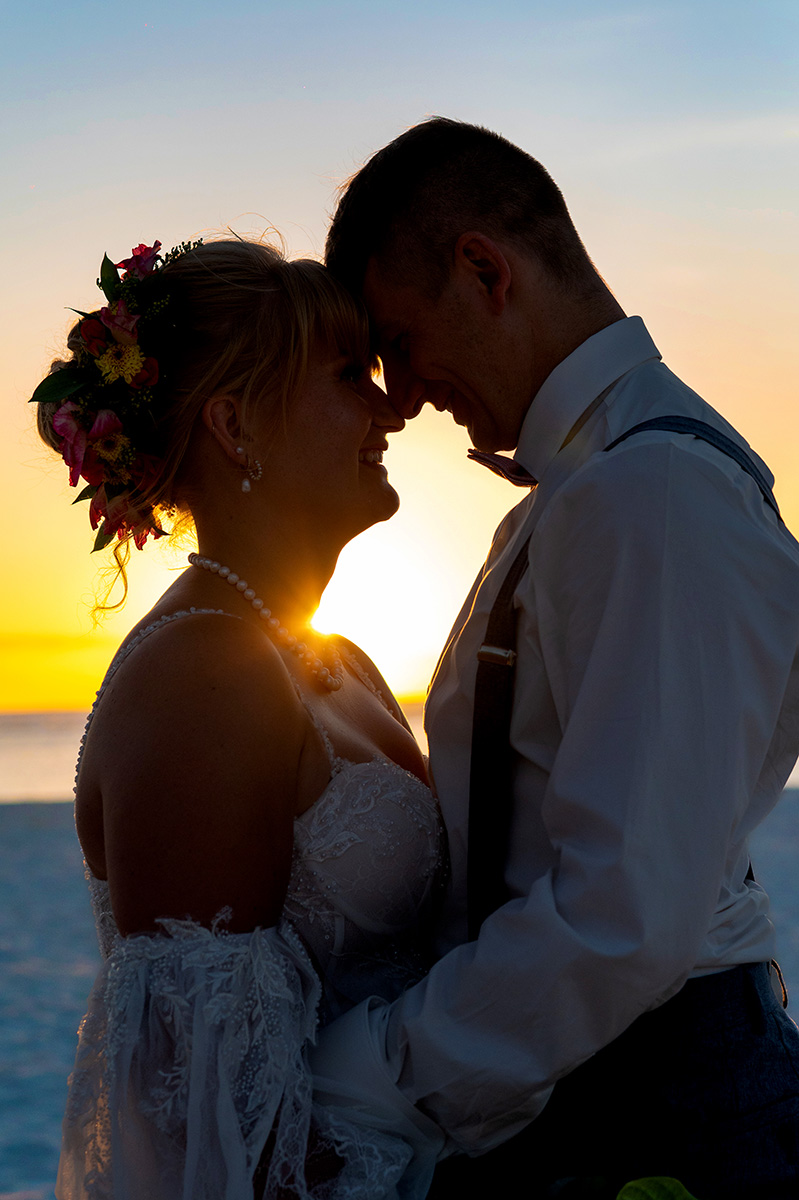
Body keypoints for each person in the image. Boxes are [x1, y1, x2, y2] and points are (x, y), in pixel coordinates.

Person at [309, 117, 799, 1198]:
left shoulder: (652, 496)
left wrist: (373, 1073)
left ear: (485, 269)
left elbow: (619, 914)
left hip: (661, 1107)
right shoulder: (591, 488)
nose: (398, 395)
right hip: (596, 1079)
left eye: (397, 339)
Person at [33, 237, 447, 1199]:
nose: (390, 409)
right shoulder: (200, 675)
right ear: (235, 424)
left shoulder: (336, 662)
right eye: (350, 375)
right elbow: (212, 1128)